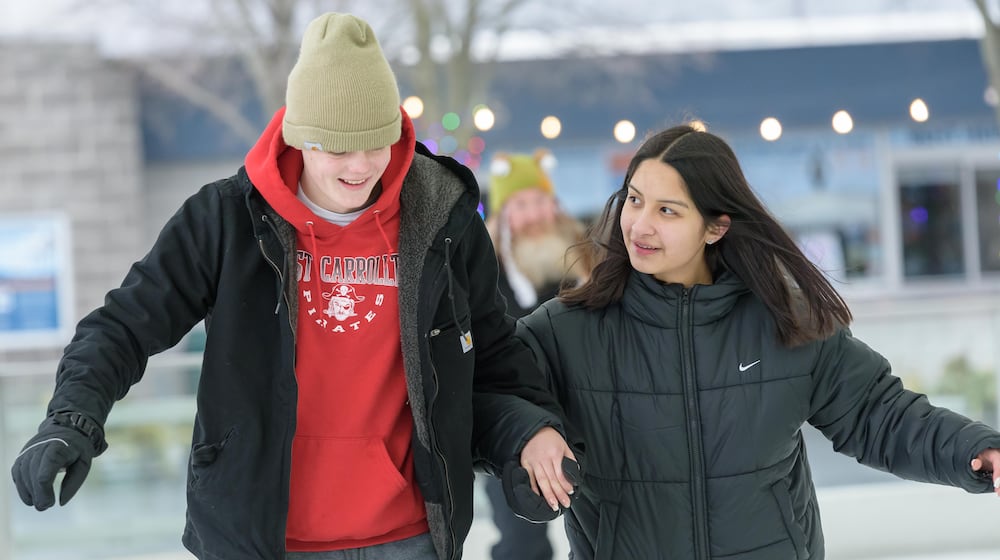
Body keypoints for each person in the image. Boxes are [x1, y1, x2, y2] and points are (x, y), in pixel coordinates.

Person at [10, 12, 580, 560]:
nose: (360, 166)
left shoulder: (442, 217)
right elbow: (124, 327)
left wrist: (528, 434)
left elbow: (492, 356)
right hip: (264, 537)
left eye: (376, 142)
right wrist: (72, 419)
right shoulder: (228, 220)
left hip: (411, 537)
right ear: (300, 137)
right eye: (337, 147)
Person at [514, 124, 1000, 559]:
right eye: (635, 200)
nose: (640, 224)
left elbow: (880, 414)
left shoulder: (784, 323)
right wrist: (529, 436)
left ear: (715, 226)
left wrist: (973, 449)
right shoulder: (568, 332)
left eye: (667, 210)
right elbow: (494, 400)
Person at [481, 150, 591, 560]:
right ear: (504, 214)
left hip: (587, 421)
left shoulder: (585, 260)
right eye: (520, 205)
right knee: (520, 539)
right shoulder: (483, 272)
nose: (533, 215)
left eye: (539, 201)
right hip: (514, 429)